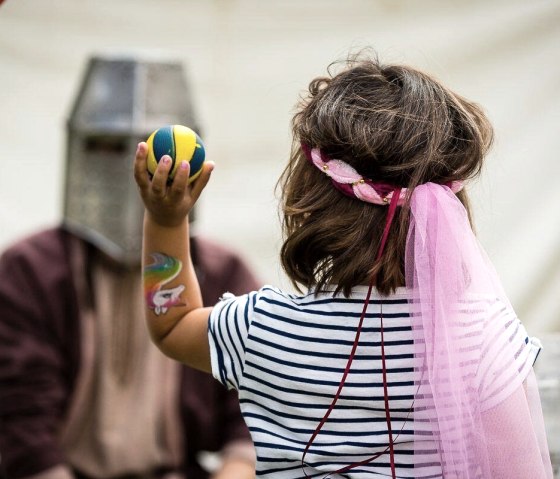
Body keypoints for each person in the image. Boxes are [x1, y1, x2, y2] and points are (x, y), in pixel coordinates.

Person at [133, 55, 553, 478]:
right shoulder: (485, 335)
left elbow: (170, 324)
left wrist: (166, 220)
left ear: (308, 196)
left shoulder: (263, 328)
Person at [0, 56, 258, 479]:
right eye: (108, 147)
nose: (135, 171)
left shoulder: (224, 272)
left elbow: (250, 412)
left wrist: (234, 468)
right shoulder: (29, 272)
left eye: (160, 155)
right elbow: (23, 428)